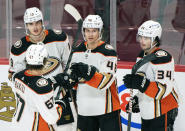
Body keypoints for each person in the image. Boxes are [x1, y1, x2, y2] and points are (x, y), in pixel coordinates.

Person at [8, 7, 76, 131]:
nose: (35, 27)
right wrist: (49, 82)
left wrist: (68, 78)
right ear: (26, 25)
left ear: (43, 22)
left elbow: (69, 65)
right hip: (36, 102)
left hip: (60, 96)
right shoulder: (19, 49)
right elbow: (16, 77)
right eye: (31, 24)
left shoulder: (59, 38)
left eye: (37, 23)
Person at [123, 20, 179, 131]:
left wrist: (141, 83)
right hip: (148, 110)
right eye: (141, 37)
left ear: (156, 39)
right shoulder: (141, 55)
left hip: (163, 109)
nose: (142, 41)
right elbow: (143, 82)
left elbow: (163, 90)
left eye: (147, 38)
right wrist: (138, 99)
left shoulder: (163, 58)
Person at [68, 14, 122, 131]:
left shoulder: (108, 52)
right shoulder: (77, 50)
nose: (90, 34)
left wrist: (89, 73)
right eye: (87, 31)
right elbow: (74, 82)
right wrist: (70, 80)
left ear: (100, 32)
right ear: (83, 31)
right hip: (85, 109)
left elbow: (105, 82)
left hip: (107, 109)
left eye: (94, 31)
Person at [11, 44, 69, 131]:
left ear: (26, 60)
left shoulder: (18, 76)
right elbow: (52, 118)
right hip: (35, 126)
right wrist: (60, 105)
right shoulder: (42, 87)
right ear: (45, 62)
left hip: (18, 124)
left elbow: (31, 86)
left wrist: (52, 81)